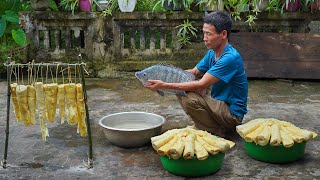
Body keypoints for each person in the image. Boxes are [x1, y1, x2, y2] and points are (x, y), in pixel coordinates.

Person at [144, 11, 248, 138]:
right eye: (204, 33)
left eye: (209, 34)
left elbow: (200, 83)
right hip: (218, 103)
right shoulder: (212, 53)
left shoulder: (230, 58)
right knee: (183, 88)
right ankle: (207, 125)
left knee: (188, 96)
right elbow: (193, 72)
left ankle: (217, 130)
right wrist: (165, 75)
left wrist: (165, 85)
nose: (204, 38)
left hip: (232, 114)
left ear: (223, 34)